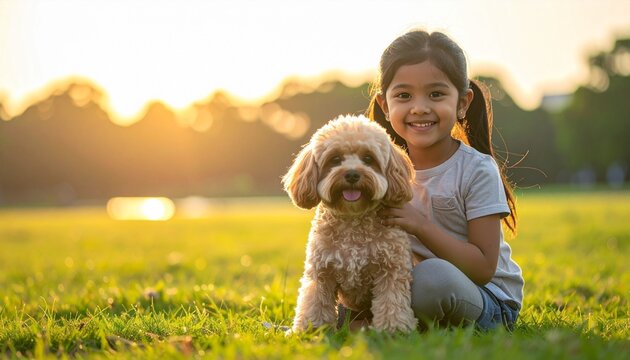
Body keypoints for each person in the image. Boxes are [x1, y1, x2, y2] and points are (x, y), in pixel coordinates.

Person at [340, 29, 523, 332]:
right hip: (406, 287)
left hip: (486, 300)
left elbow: (482, 268)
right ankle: (363, 322)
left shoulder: (476, 169)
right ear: (385, 106)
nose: (420, 107)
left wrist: (421, 226)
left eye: (436, 94)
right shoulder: (381, 171)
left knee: (432, 278)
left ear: (462, 102)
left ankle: (369, 325)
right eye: (403, 95)